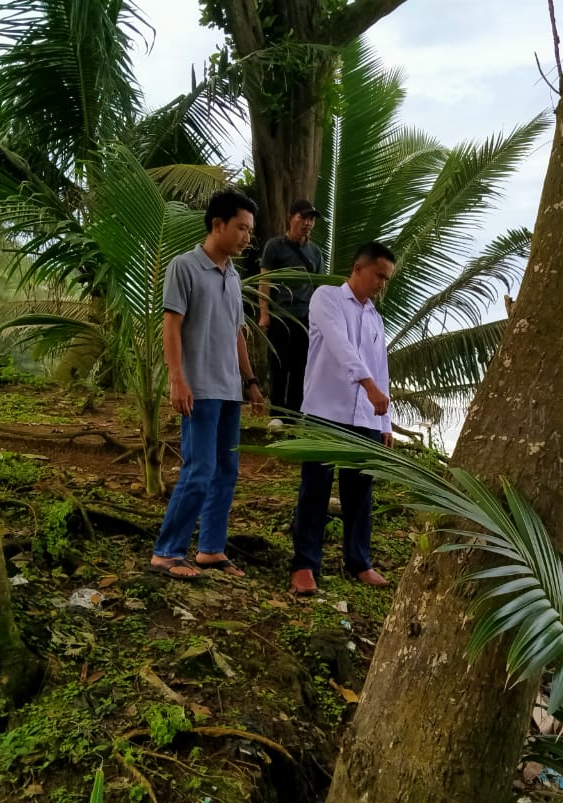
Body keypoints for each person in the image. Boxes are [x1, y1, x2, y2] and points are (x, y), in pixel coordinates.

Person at [149, 189, 266, 581]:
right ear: (218, 225)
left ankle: (211, 550)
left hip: (230, 388)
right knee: (198, 470)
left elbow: (237, 334)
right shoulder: (184, 267)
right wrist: (177, 378)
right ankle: (167, 552)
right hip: (198, 388)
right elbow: (171, 326)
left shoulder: (233, 276)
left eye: (250, 230)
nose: (247, 237)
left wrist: (250, 381)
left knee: (226, 471)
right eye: (242, 228)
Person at [289, 242, 397, 596]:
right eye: (379, 275)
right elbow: (339, 346)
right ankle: (305, 565)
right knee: (315, 491)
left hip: (366, 416)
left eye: (386, 279)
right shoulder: (327, 298)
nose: (382, 284)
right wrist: (367, 385)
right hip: (325, 411)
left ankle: (359, 561)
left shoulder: (375, 318)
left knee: (359, 494)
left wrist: (385, 422)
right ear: (358, 268)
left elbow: (382, 369)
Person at [258, 199, 324, 423]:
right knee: (278, 366)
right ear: (291, 217)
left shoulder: (315, 252)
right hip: (280, 316)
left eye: (311, 219)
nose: (307, 223)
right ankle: (277, 414)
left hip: (305, 319)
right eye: (303, 217)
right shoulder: (275, 246)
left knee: (301, 369)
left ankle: (294, 415)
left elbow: (318, 289)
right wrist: (264, 313)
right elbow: (264, 280)